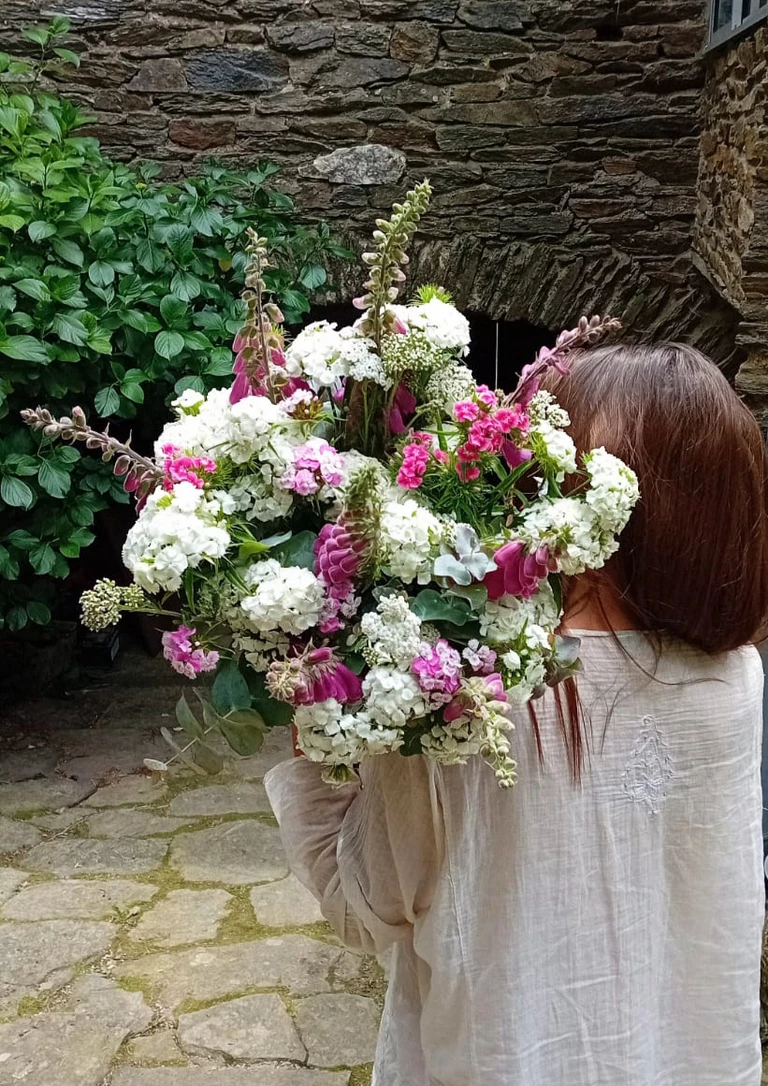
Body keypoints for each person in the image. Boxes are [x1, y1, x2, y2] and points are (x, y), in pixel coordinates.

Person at [265, 343, 768, 1086]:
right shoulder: (738, 680)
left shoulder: (464, 700)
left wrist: (319, 717)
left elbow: (362, 908)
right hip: (691, 1058)